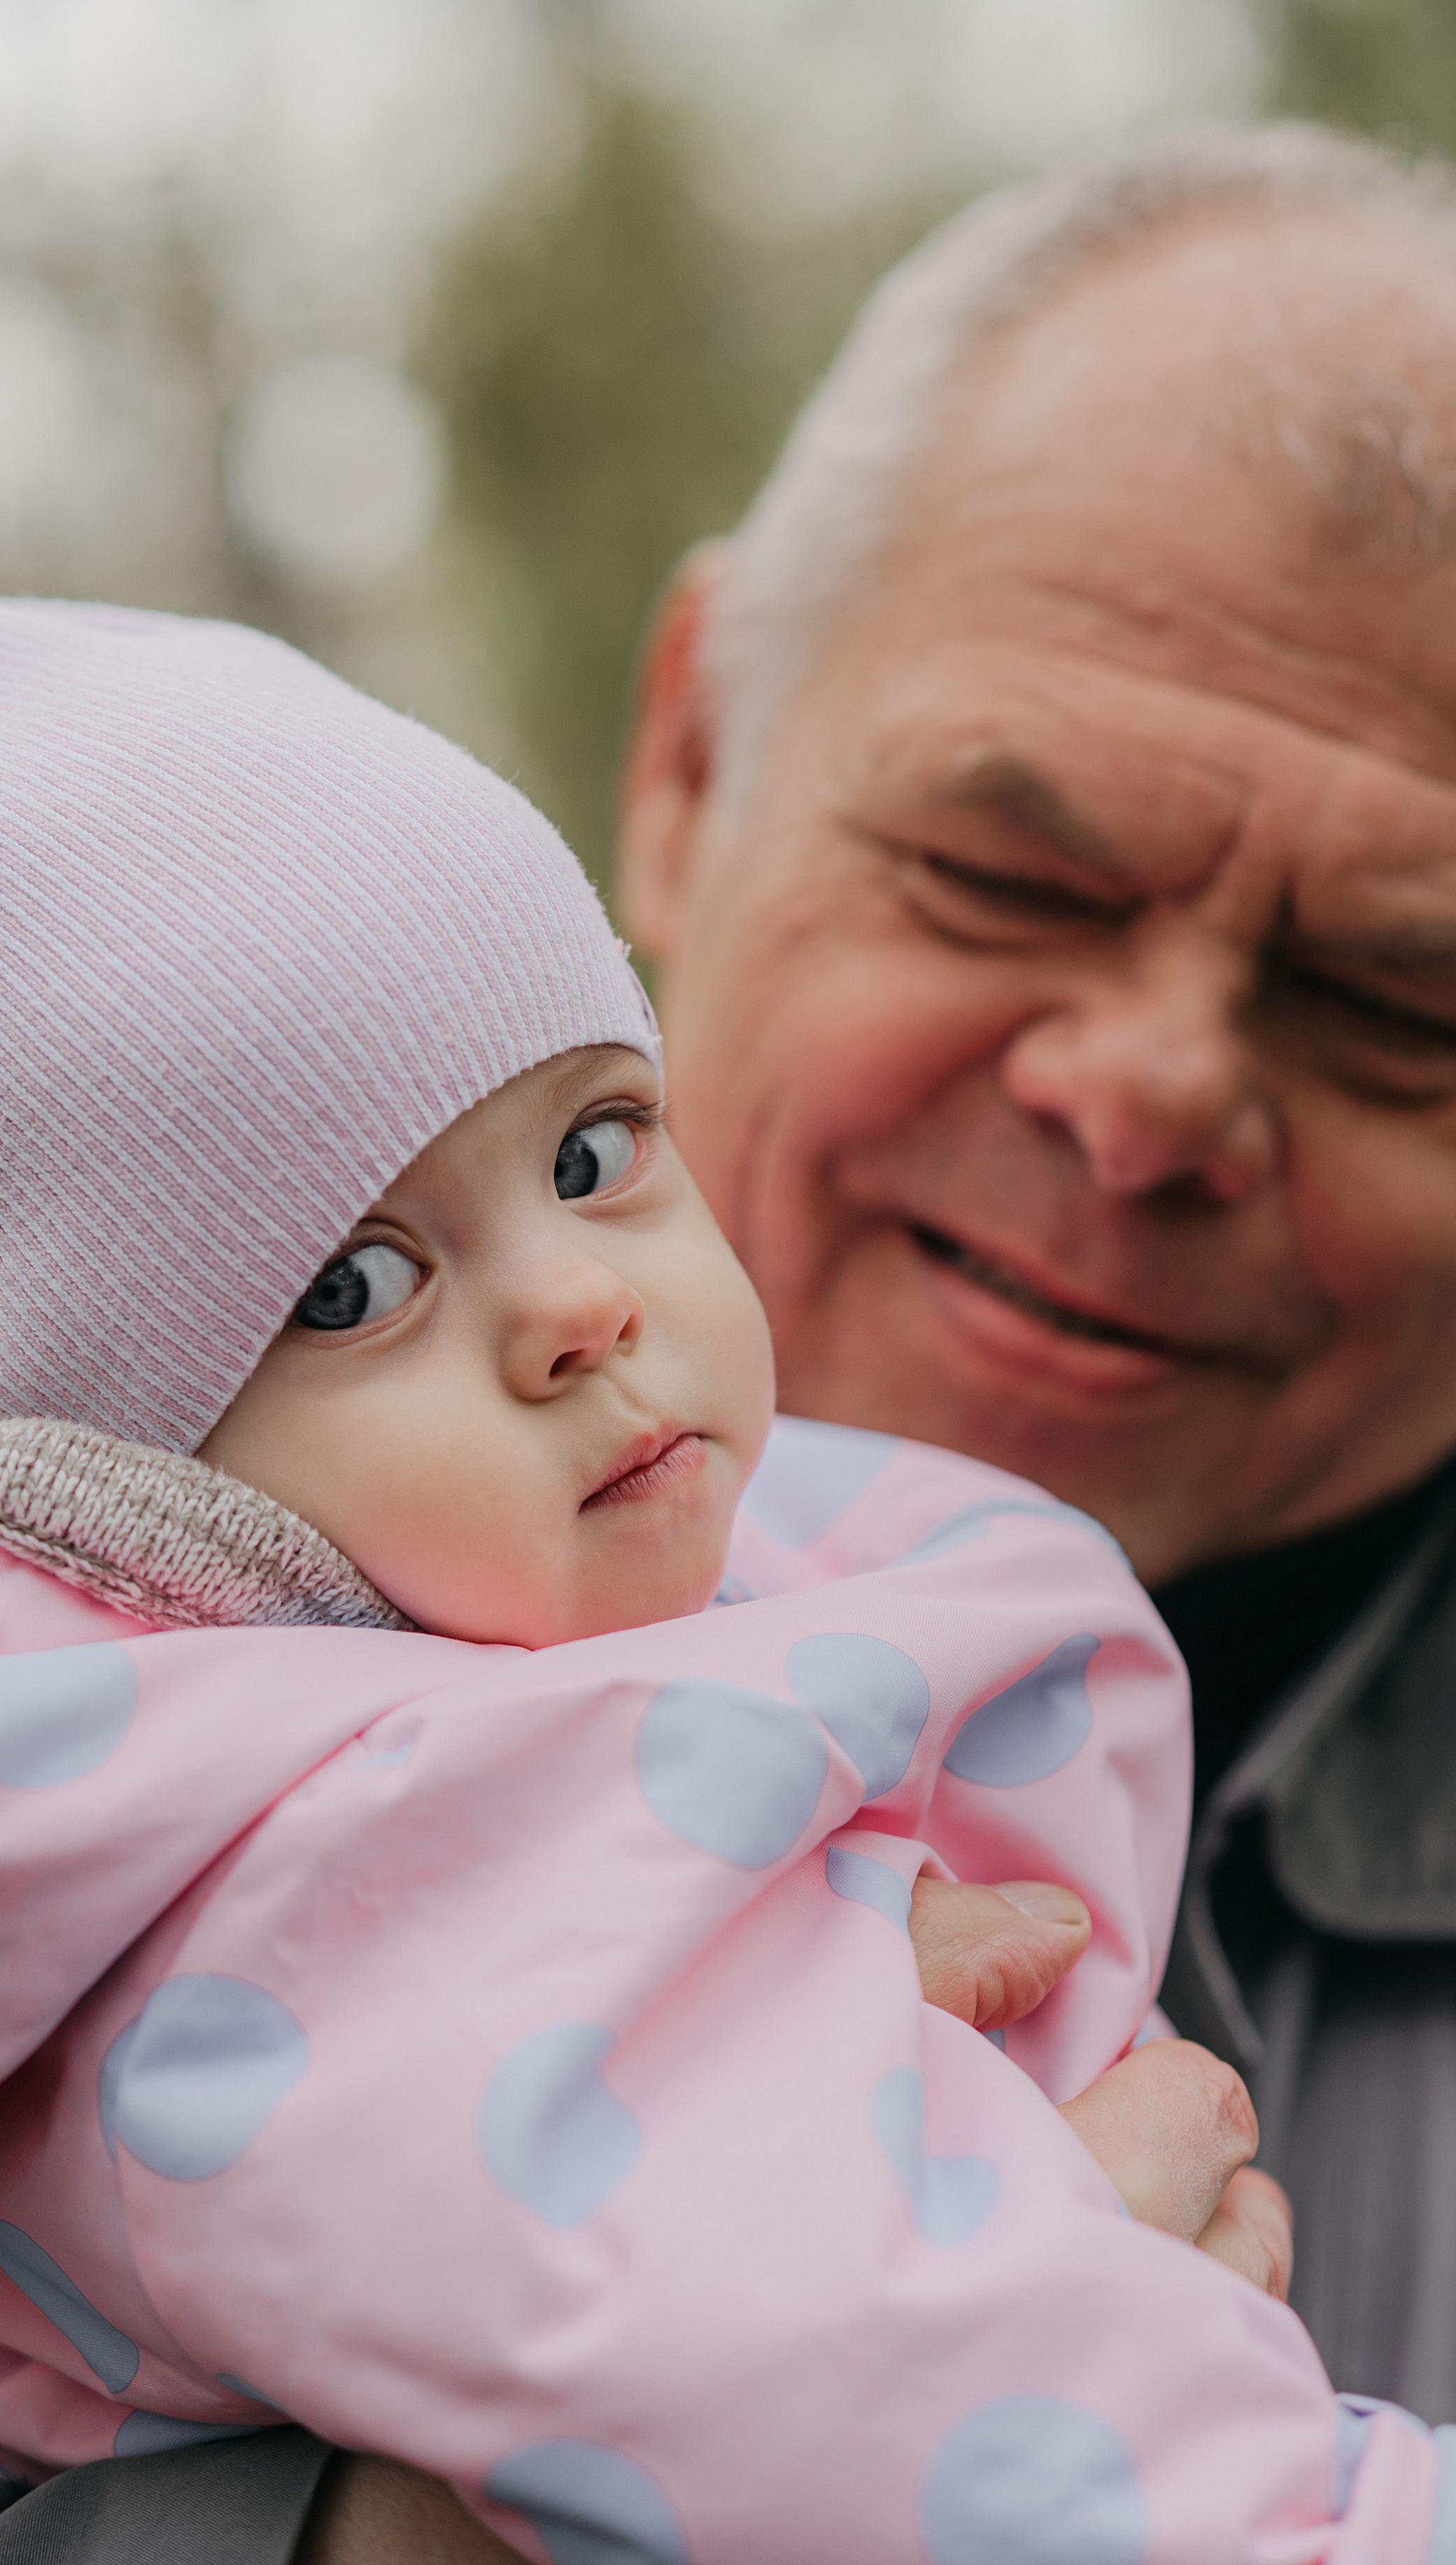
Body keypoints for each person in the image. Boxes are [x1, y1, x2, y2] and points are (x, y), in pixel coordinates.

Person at [0, 579, 1290, 2561]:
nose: (579, 1303)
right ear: (102, 1511)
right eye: (352, 1289)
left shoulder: (742, 1593)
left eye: (594, 1151)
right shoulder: (266, 1888)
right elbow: (788, 2389)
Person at [618, 114, 1456, 2439]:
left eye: (1398, 1001)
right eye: (1008, 872)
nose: (1158, 1089)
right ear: (689, 764)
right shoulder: (21, 1587)